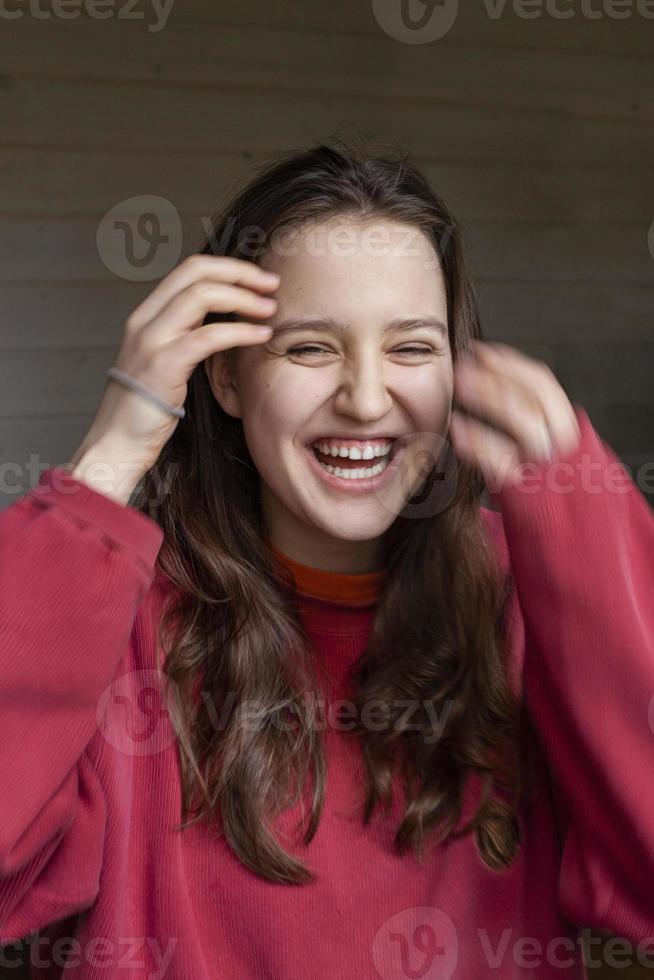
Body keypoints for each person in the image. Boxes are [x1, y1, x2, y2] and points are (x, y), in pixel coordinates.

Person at [1, 137, 653, 979]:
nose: (368, 398)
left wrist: (589, 535)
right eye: (310, 347)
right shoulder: (117, 620)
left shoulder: (531, 596)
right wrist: (106, 463)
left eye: (412, 348)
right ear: (225, 379)